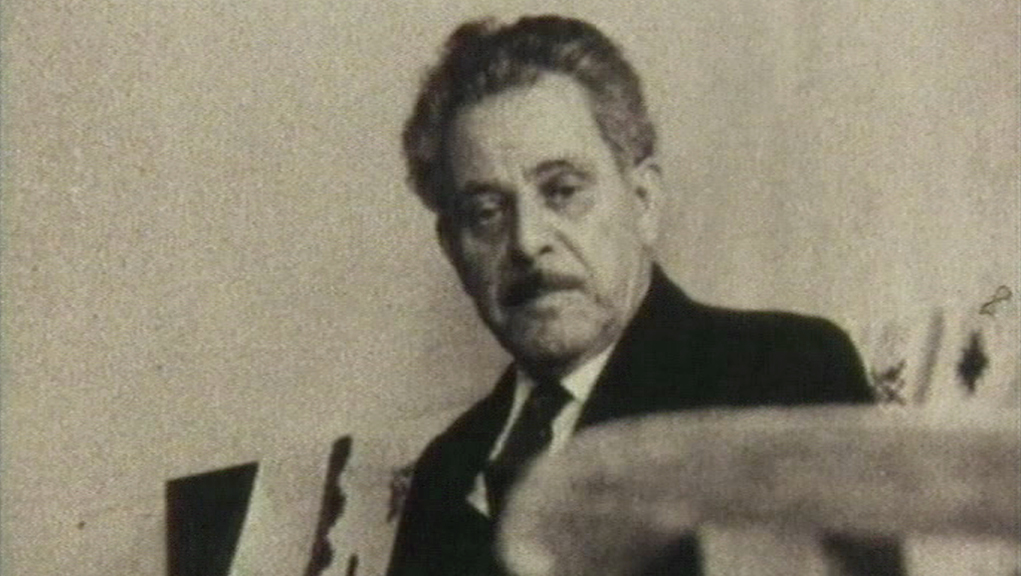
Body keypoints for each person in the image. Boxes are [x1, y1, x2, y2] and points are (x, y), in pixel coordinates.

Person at [387, 15, 874, 576]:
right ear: (452, 248)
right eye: (486, 212)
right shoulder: (446, 470)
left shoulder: (779, 373)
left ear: (643, 201)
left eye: (562, 191)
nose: (526, 241)